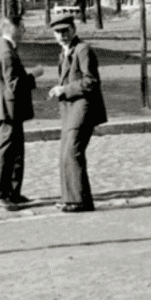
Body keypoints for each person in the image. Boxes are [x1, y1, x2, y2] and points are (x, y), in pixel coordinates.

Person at [48, 15, 107, 213]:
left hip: (83, 107)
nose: (62, 36)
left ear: (73, 29)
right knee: (65, 153)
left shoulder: (83, 50)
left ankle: (79, 201)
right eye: (58, 32)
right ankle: (71, 198)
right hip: (70, 110)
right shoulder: (64, 53)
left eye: (65, 31)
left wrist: (64, 89)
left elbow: (91, 81)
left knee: (73, 151)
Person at [0, 18, 39, 210]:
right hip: (8, 109)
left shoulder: (2, 48)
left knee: (16, 151)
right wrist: (33, 75)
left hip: (8, 108)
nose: (24, 30)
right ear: (12, 29)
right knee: (7, 152)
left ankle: (12, 192)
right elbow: (14, 84)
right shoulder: (6, 52)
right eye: (22, 27)